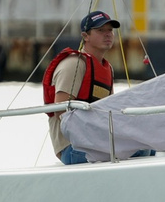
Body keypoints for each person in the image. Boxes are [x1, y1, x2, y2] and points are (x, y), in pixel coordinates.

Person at [41, 10, 120, 165]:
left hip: (98, 143)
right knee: (141, 150)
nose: (108, 34)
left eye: (110, 30)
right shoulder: (74, 64)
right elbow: (61, 110)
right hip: (73, 148)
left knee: (147, 147)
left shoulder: (107, 69)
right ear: (85, 36)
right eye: (100, 30)